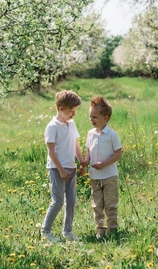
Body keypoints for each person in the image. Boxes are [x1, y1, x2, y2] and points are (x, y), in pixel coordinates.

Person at [41, 90, 85, 242]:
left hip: (71, 167)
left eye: (75, 112)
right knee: (58, 201)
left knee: (72, 201)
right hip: (56, 168)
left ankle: (67, 231)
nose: (74, 115)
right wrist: (60, 169)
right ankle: (45, 231)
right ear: (61, 109)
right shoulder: (52, 126)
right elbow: (51, 151)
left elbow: (76, 145)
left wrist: (81, 161)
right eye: (71, 111)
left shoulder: (71, 125)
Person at [83, 96, 123, 239]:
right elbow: (88, 152)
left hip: (109, 176)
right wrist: (85, 162)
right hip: (95, 176)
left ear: (105, 118)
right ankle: (100, 229)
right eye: (90, 116)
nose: (91, 120)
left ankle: (113, 230)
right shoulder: (90, 134)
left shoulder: (112, 135)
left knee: (111, 205)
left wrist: (104, 164)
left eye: (95, 117)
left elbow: (118, 154)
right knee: (97, 206)